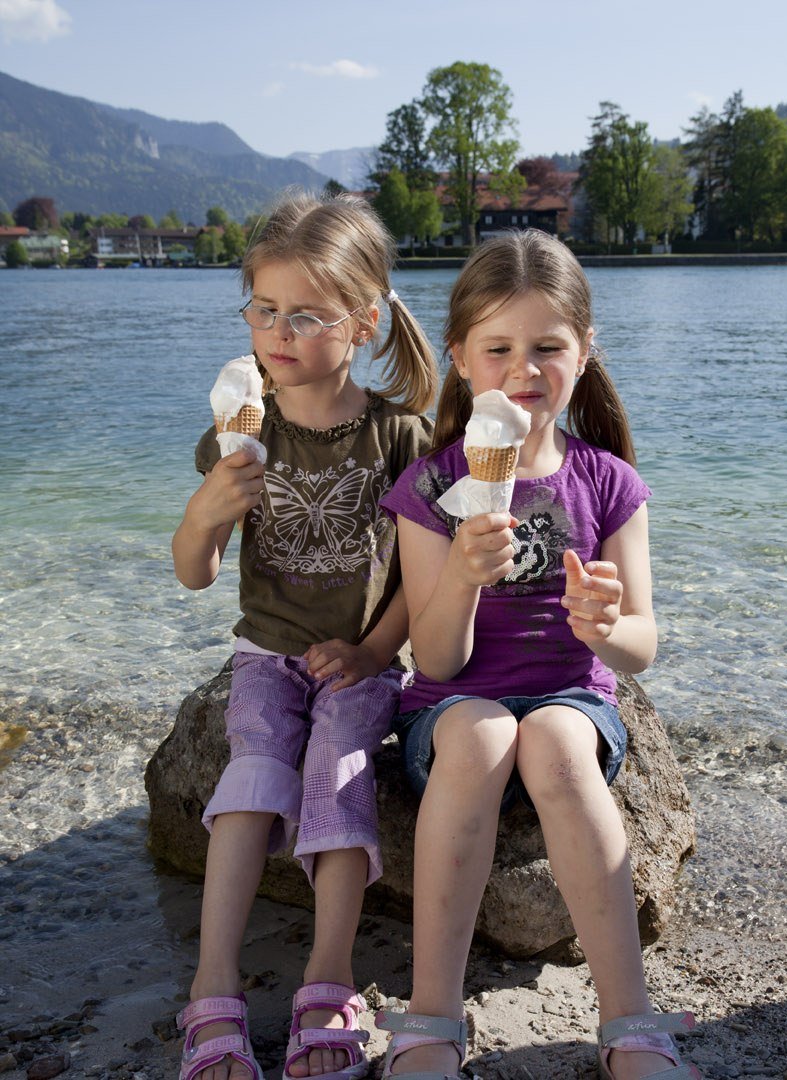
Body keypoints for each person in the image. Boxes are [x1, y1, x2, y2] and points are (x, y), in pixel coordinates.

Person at [378, 230, 700, 1080]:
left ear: (585, 352)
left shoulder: (607, 482)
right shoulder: (431, 491)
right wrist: (460, 578)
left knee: (558, 744)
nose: (524, 368)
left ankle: (628, 1023)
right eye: (498, 348)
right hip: (457, 706)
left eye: (547, 346)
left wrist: (603, 626)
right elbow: (438, 661)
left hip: (570, 697)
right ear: (458, 360)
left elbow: (641, 648)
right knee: (483, 733)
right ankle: (432, 1021)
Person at [171, 190, 437, 1080]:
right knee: (252, 774)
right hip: (263, 653)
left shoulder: (399, 436)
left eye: (304, 315)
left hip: (361, 661)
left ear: (363, 323)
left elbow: (418, 577)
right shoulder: (240, 432)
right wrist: (205, 515)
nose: (277, 333)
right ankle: (213, 988)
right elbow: (194, 571)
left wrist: (371, 651)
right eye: (263, 309)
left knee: (340, 772)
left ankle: (328, 976)